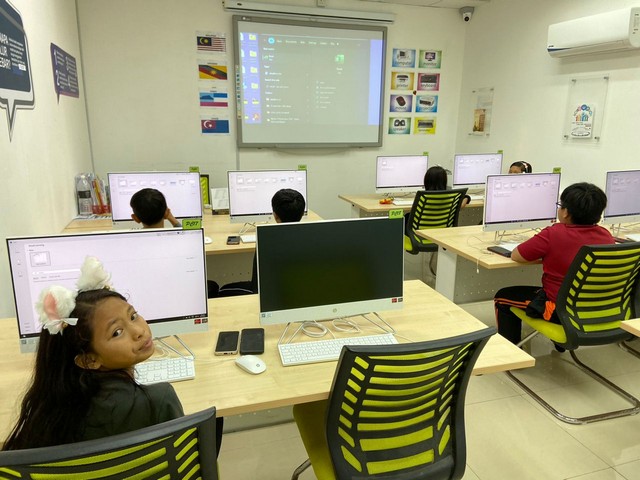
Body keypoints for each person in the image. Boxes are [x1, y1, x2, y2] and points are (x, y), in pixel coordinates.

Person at [2, 256, 184, 450]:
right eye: (117, 332)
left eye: (133, 316)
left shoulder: (48, 418)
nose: (138, 331)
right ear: (89, 360)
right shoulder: (159, 400)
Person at [493, 182, 614, 345]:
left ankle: (511, 352)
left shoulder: (554, 233)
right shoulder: (606, 235)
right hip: (599, 310)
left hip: (561, 311)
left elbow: (517, 255)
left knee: (502, 296)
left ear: (566, 212)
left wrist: (546, 255)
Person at [218, 188, 305, 296]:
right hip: (300, 293)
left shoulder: (267, 238)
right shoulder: (309, 237)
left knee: (222, 289)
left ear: (275, 215)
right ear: (302, 214)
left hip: (266, 295)